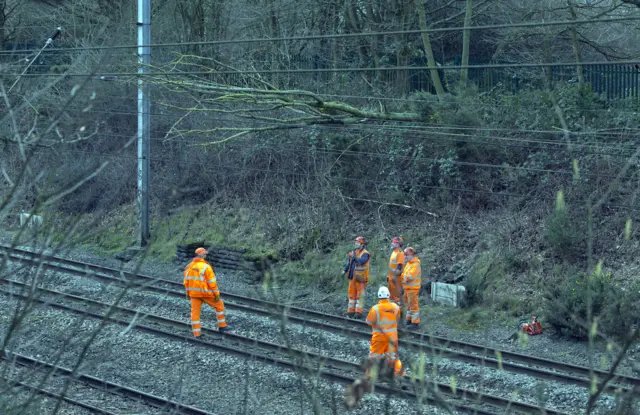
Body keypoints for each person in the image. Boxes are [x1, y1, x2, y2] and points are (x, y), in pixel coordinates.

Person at [183, 247, 231, 336]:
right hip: (205, 293)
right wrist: (216, 294)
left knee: (195, 313)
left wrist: (187, 293)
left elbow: (186, 282)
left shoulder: (188, 266)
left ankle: (197, 334)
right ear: (200, 255)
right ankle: (222, 326)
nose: (206, 255)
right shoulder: (206, 267)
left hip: (194, 294)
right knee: (219, 305)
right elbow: (212, 283)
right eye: (204, 254)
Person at [365, 286, 404, 378]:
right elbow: (398, 320)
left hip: (379, 338)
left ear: (378, 296)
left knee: (374, 356)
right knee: (393, 357)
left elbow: (369, 322)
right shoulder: (396, 307)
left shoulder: (375, 309)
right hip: (392, 338)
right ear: (388, 295)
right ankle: (398, 374)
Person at [342, 236, 370, 318]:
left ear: (362, 244)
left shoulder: (365, 253)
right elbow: (349, 263)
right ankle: (351, 312)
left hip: (361, 279)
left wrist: (354, 257)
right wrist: (344, 270)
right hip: (352, 277)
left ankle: (358, 313)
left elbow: (361, 261)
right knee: (351, 295)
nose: (355, 244)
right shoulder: (354, 252)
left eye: (357, 242)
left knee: (359, 296)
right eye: (355, 242)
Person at [401, 247, 421, 329]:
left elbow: (409, 277)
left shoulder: (415, 265)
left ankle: (415, 323)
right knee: (409, 306)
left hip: (413, 288)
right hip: (408, 288)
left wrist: (401, 276)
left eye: (406, 255)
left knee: (413, 306)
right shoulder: (409, 264)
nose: (405, 257)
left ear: (411, 255)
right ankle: (409, 320)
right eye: (404, 255)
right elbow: (404, 275)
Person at [387, 237, 405, 307]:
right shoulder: (394, 252)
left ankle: (399, 314)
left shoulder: (400, 253)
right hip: (391, 278)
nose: (392, 243)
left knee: (397, 298)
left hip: (396, 279)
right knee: (391, 297)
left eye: (394, 242)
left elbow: (399, 267)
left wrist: (394, 277)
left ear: (398, 244)